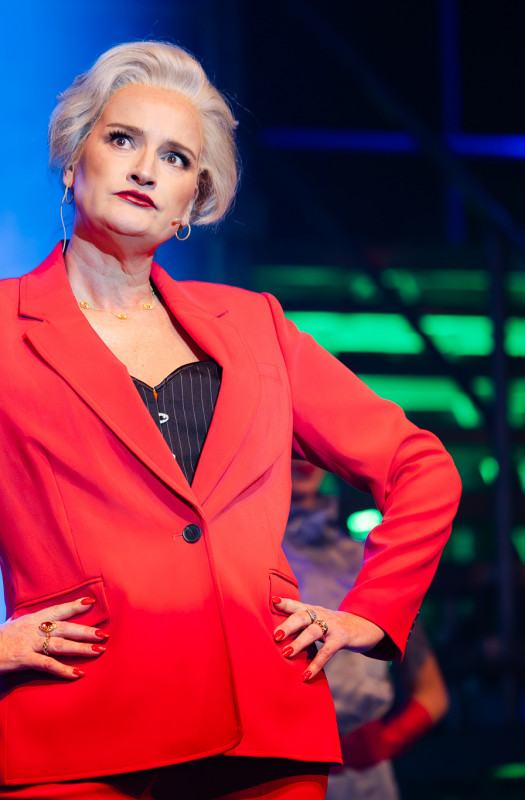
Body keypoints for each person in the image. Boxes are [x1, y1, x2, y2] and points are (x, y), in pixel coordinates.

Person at [0, 41, 461, 799]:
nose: (145, 170)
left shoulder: (255, 327)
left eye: (176, 158)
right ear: (74, 161)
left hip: (264, 736)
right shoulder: (6, 329)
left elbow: (420, 467)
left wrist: (370, 614)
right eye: (123, 139)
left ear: (193, 203)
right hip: (77, 731)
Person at [284, 462, 450, 800]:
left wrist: (382, 745)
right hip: (284, 775)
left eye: (307, 445)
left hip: (366, 780)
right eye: (289, 446)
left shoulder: (369, 560)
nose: (301, 458)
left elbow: (432, 693)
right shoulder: (249, 561)